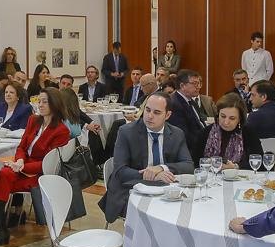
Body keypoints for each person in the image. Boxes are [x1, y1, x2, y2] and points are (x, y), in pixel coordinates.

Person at [0, 88, 72, 247]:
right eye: (39, 101)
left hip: (39, 174)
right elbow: (22, 146)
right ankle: (0, 230)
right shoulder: (33, 120)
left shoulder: (61, 131)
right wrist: (20, 161)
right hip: (22, 166)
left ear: (55, 104)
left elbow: (49, 162)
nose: (40, 105)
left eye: (45, 102)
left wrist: (22, 166)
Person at [99, 93, 195, 222]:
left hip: (165, 189)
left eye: (157, 112)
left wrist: (161, 168)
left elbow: (188, 165)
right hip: (132, 188)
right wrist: (153, 175)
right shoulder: (126, 132)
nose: (150, 116)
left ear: (167, 115)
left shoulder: (177, 133)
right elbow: (120, 170)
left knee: (186, 210)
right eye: (147, 110)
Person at [202, 101, 263, 170]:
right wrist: (206, 163)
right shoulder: (207, 132)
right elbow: (195, 161)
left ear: (239, 119)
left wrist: (235, 167)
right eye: (223, 116)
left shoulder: (248, 133)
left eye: (232, 118)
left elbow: (260, 163)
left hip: (240, 178)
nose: (226, 122)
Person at [166, 68, 210, 162]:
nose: (198, 87)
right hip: (189, 154)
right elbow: (183, 136)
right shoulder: (175, 104)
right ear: (182, 86)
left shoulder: (190, 100)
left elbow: (199, 124)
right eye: (194, 83)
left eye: (199, 83)